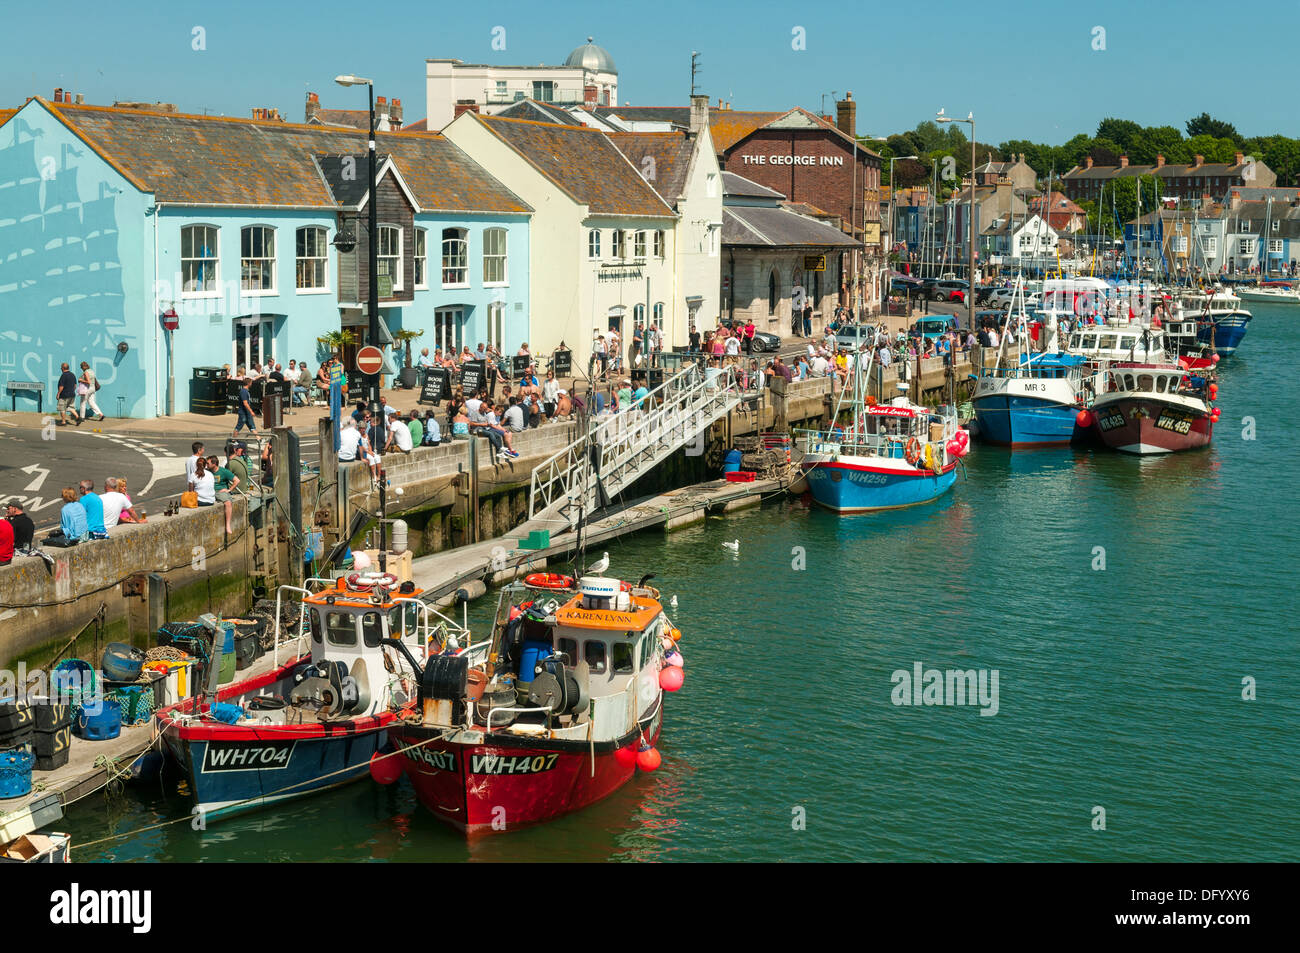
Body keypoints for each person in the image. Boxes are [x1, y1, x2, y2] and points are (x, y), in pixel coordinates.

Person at [206, 456, 238, 533]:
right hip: (209, 492)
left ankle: (228, 524)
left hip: (220, 491)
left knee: (228, 503)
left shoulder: (223, 471)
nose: (206, 465)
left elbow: (236, 480)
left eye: (208, 463)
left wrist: (229, 490)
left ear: (214, 464)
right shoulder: (207, 471)